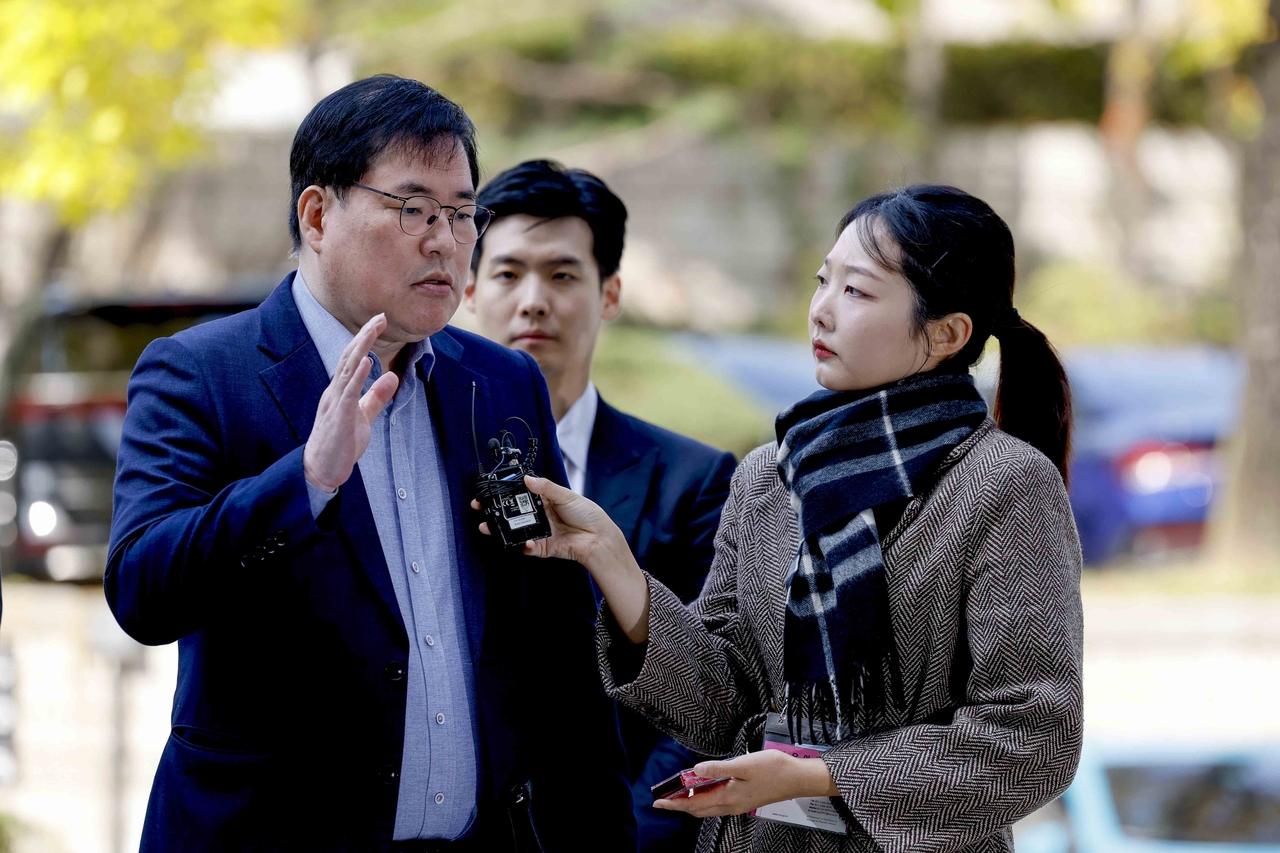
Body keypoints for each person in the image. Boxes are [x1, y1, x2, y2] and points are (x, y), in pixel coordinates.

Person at [105, 76, 635, 853]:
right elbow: (142, 591)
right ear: (318, 215)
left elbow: (558, 648)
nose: (445, 242)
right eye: (414, 209)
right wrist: (306, 482)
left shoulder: (500, 383)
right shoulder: (201, 373)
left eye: (462, 214)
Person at [487, 185, 1085, 852]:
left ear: (947, 333)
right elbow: (720, 701)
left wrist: (821, 776)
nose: (821, 311)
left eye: (856, 292)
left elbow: (1034, 738)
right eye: (822, 282)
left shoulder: (1003, 482)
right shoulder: (770, 475)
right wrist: (612, 558)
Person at [464, 159, 736, 851]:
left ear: (609, 293)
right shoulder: (423, 463)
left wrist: (628, 840)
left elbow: (714, 693)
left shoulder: (695, 480)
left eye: (562, 275)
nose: (533, 301)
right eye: (507, 274)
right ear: (468, 288)